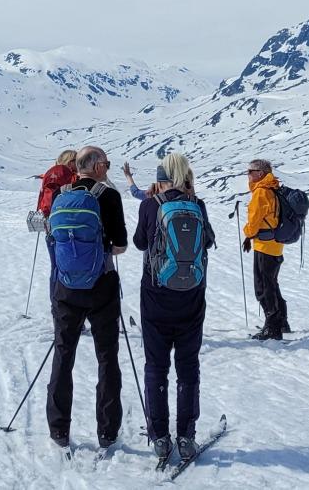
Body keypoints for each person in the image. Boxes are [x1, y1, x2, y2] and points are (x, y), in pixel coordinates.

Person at [132, 154, 216, 466]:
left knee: (156, 366)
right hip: (192, 298)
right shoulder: (198, 205)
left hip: (155, 297)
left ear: (161, 177)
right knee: (188, 366)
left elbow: (140, 242)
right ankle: (186, 435)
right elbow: (207, 242)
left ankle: (159, 436)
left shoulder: (150, 204)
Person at [45, 146, 128, 451]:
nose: (107, 167)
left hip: (66, 288)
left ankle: (58, 429)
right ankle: (107, 431)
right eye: (106, 163)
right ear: (94, 167)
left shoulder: (61, 196)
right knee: (106, 358)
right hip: (101, 286)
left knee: (63, 355)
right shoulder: (108, 196)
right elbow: (120, 246)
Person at [244, 159, 290, 341]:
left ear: (260, 173)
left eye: (250, 171)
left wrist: (247, 232)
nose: (248, 174)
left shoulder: (261, 192)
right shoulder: (273, 188)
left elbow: (253, 223)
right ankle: (281, 322)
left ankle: (272, 328)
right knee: (272, 283)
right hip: (275, 244)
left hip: (264, 245)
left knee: (263, 287)